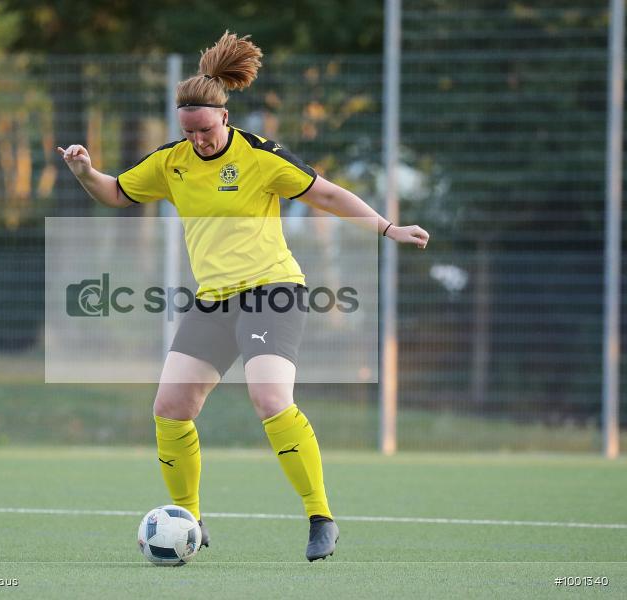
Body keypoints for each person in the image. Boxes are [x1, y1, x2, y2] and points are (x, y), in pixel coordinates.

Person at [57, 32, 429, 561]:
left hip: (272, 291)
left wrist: (386, 227)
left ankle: (320, 516)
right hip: (213, 300)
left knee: (270, 399)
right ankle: (192, 519)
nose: (199, 141)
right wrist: (84, 172)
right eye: (189, 133)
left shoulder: (260, 156)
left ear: (224, 118)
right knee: (170, 407)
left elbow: (325, 192)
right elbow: (116, 192)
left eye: (205, 131)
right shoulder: (172, 160)